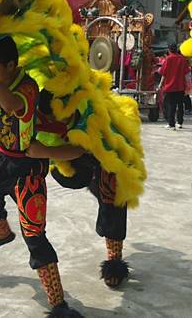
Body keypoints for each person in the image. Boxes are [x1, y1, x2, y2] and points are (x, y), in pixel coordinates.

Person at [0, 36, 80, 316]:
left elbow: (10, 104)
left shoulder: (28, 87)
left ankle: (58, 305)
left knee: (35, 238)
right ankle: (2, 236)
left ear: (12, 65)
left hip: (26, 171)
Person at [26, 90, 130, 288]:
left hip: (105, 151)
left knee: (112, 193)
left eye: (60, 117)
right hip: (69, 161)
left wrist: (47, 151)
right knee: (69, 176)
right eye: (50, 118)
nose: (55, 121)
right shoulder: (35, 114)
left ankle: (114, 260)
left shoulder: (92, 114)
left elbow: (83, 147)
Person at [158, 43, 190, 129]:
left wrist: (160, 85)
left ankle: (171, 123)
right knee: (180, 105)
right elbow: (187, 75)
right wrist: (188, 87)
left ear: (169, 50)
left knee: (171, 105)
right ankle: (180, 122)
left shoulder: (168, 59)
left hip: (170, 87)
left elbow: (163, 74)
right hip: (181, 86)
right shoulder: (182, 59)